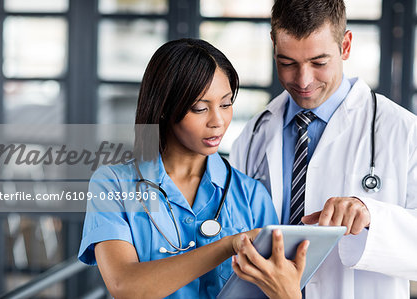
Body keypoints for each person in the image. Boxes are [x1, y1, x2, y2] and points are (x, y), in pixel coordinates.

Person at [78, 38, 308, 299]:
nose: (218, 121)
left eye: (226, 104)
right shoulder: (112, 184)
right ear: (164, 108)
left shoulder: (252, 196)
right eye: (200, 108)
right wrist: (228, 245)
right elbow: (125, 286)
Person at [230, 0, 417, 298]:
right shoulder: (254, 133)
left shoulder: (404, 131)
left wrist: (373, 216)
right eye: (287, 63)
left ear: (345, 46)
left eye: (319, 63)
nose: (303, 80)